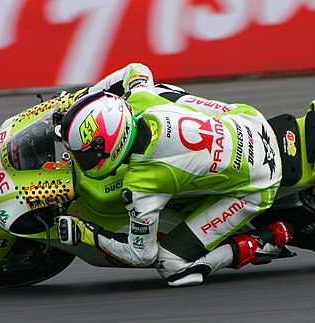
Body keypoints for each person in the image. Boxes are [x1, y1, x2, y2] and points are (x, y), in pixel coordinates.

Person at [55, 63, 293, 286]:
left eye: (84, 155)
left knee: (171, 265)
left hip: (261, 181)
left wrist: (85, 234)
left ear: (112, 145)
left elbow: (141, 255)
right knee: (168, 93)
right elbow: (136, 70)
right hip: (252, 122)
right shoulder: (140, 99)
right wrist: (83, 97)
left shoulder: (142, 184)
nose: (79, 160)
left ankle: (263, 241)